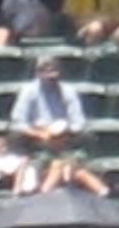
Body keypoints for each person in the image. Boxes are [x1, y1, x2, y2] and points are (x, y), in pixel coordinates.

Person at [9, 55, 87, 192]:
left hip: (63, 136)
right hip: (35, 136)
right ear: (38, 73)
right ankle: (34, 180)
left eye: (54, 71)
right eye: (47, 71)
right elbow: (18, 121)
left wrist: (63, 132)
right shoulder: (28, 90)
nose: (52, 76)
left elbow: (78, 122)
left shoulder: (69, 90)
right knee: (16, 135)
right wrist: (39, 133)